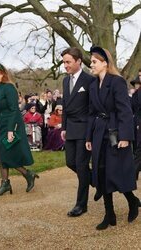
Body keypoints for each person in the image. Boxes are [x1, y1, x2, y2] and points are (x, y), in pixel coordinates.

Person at [85, 46, 140, 230]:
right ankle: (110, 214)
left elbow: (125, 110)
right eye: (91, 61)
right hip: (99, 133)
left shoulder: (117, 82)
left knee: (117, 173)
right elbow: (91, 114)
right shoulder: (93, 86)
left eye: (94, 61)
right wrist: (89, 137)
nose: (91, 64)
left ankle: (132, 201)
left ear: (105, 64)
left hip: (116, 134)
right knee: (101, 174)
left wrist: (125, 136)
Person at [0, 61, 38, 196]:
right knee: (1, 154)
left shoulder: (9, 88)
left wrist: (10, 130)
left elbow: (14, 110)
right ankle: (6, 182)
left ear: (2, 73)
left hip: (11, 125)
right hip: (1, 126)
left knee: (6, 154)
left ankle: (27, 174)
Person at [61, 47, 95, 217]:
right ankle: (95, 180)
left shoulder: (90, 80)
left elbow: (92, 110)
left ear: (78, 61)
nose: (65, 65)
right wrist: (64, 127)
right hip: (71, 129)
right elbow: (66, 106)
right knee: (70, 162)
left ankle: (81, 205)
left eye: (68, 62)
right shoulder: (65, 81)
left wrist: (90, 134)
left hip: (84, 129)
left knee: (81, 166)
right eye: (64, 62)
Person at [130, 77, 141, 180]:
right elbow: (132, 110)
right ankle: (134, 174)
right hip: (136, 124)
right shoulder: (135, 95)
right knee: (137, 148)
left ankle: (133, 174)